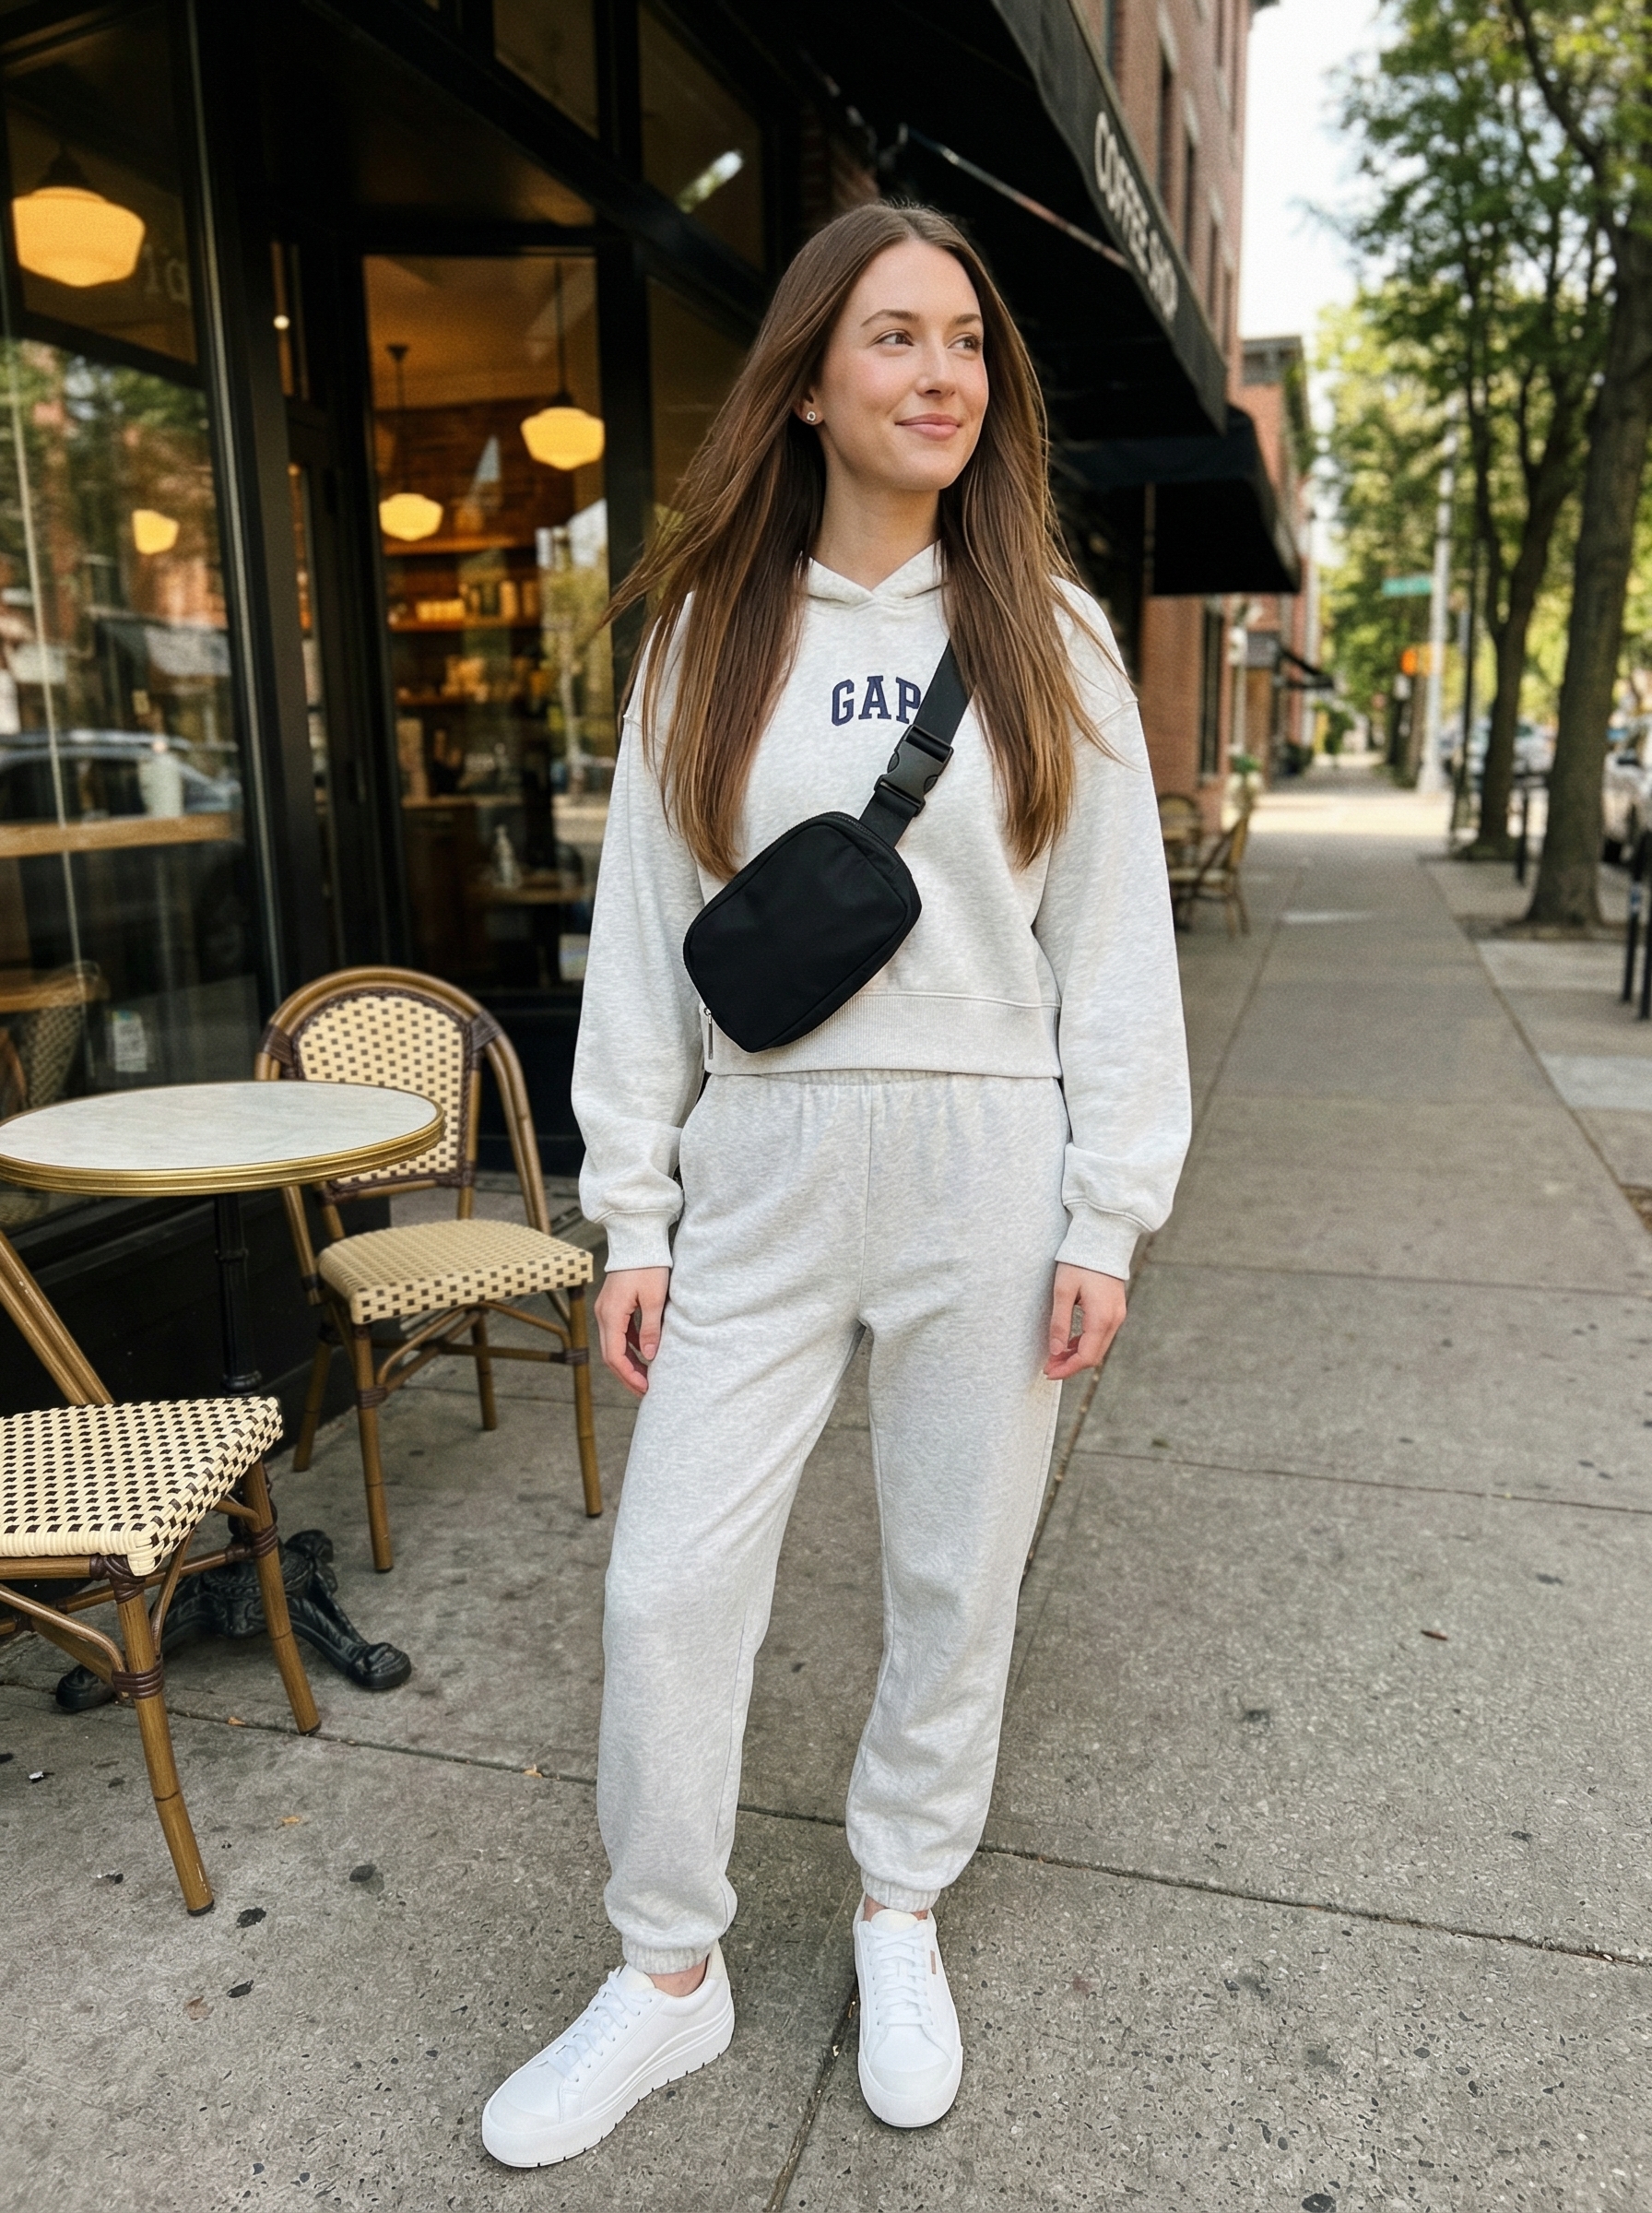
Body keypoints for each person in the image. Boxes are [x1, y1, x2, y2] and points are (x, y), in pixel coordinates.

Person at [481, 201, 1190, 2169]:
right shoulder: (708, 633)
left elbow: (1112, 950)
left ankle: (897, 1909)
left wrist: (1104, 1212)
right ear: (805, 384)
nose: (938, 372)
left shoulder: (1040, 635)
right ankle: (666, 1977)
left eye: (962, 339)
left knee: (952, 1583)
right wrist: (633, 1209)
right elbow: (640, 938)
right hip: (761, 1160)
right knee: (668, 1587)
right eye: (890, 337)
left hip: (989, 1153)